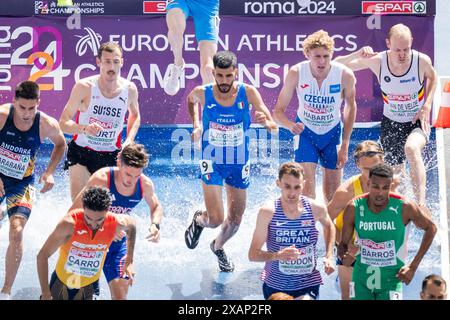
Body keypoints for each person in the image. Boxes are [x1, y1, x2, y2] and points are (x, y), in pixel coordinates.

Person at [184, 50, 278, 272]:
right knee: (215, 219)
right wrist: (196, 124)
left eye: (228, 76)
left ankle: (217, 246)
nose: (224, 81)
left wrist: (266, 122)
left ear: (235, 72)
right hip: (212, 161)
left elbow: (271, 123)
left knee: (235, 220)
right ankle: (199, 220)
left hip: (238, 162)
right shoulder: (203, 92)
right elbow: (191, 100)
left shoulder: (248, 93)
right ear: (213, 73)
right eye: (219, 76)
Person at [334, 23, 438, 207]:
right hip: (392, 123)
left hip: (416, 122)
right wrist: (358, 54)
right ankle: (403, 206)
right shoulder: (378, 61)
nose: (402, 55)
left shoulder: (420, 60)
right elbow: (336, 64)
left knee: (412, 149)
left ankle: (421, 205)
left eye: (406, 49)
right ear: (388, 44)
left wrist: (427, 105)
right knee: (396, 176)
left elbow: (433, 76)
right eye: (397, 49)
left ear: (411, 43)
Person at [70, 142, 163, 300]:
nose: (131, 180)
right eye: (128, 174)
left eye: (136, 176)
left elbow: (156, 206)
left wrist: (155, 225)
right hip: (90, 243)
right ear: (119, 163)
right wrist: (105, 227)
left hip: (117, 245)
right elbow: (74, 213)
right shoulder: (102, 179)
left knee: (121, 296)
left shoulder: (144, 184)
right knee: (86, 296)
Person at [273, 29, 357, 203]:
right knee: (307, 195)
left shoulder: (345, 75)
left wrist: (345, 144)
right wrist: (290, 125)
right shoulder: (296, 72)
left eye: (326, 56)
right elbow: (277, 112)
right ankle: (311, 229)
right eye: (317, 56)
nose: (322, 61)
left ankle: (330, 230)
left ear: (332, 55)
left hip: (332, 134)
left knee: (333, 197)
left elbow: (350, 108)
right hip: (306, 134)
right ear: (307, 54)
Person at [0, 81, 66, 300]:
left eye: (31, 108)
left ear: (38, 103)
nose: (27, 114)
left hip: (22, 184)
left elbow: (61, 145)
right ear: (14, 102)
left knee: (16, 231)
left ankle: (6, 291)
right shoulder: (1, 116)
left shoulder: (47, 124)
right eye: (22, 108)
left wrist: (49, 172)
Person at [338, 164, 437, 300]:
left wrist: (413, 267)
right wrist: (344, 254)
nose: (380, 193)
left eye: (385, 188)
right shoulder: (354, 207)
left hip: (392, 279)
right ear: (368, 183)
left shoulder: (404, 206)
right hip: (361, 279)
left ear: (391, 185)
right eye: (375, 187)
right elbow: (343, 244)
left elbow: (431, 228)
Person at [59, 41, 141, 201]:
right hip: (82, 152)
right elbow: (63, 123)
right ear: (99, 62)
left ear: (122, 62)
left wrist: (129, 140)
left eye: (116, 62)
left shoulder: (129, 89)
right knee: (80, 206)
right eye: (107, 62)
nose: (112, 67)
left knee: (101, 208)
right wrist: (84, 128)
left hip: (111, 155)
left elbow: (135, 115)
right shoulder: (85, 87)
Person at [248, 162, 335, 300]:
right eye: (287, 186)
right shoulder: (268, 212)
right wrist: (277, 256)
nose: (292, 193)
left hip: (308, 284)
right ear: (278, 183)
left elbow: (329, 226)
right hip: (276, 285)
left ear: (304, 184)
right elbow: (253, 254)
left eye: (297, 187)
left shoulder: (316, 208)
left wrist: (329, 255)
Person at [37, 186, 137, 300]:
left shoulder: (115, 222)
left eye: (99, 220)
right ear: (83, 208)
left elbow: (132, 225)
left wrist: (129, 260)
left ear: (108, 211)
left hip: (90, 286)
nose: (93, 225)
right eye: (88, 218)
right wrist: (45, 292)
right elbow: (42, 256)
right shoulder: (69, 224)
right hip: (61, 282)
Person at [327, 140, 385, 300]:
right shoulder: (346, 191)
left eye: (375, 168)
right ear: (358, 164)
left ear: (382, 161)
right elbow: (326, 221)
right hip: (350, 248)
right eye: (367, 169)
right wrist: (344, 245)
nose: (372, 174)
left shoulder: (390, 185)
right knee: (349, 295)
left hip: (377, 249)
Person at [163, 0, 220, 95]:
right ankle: (178, 65)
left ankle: (209, 108)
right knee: (175, 19)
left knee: (208, 70)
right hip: (181, 1)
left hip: (208, 5)